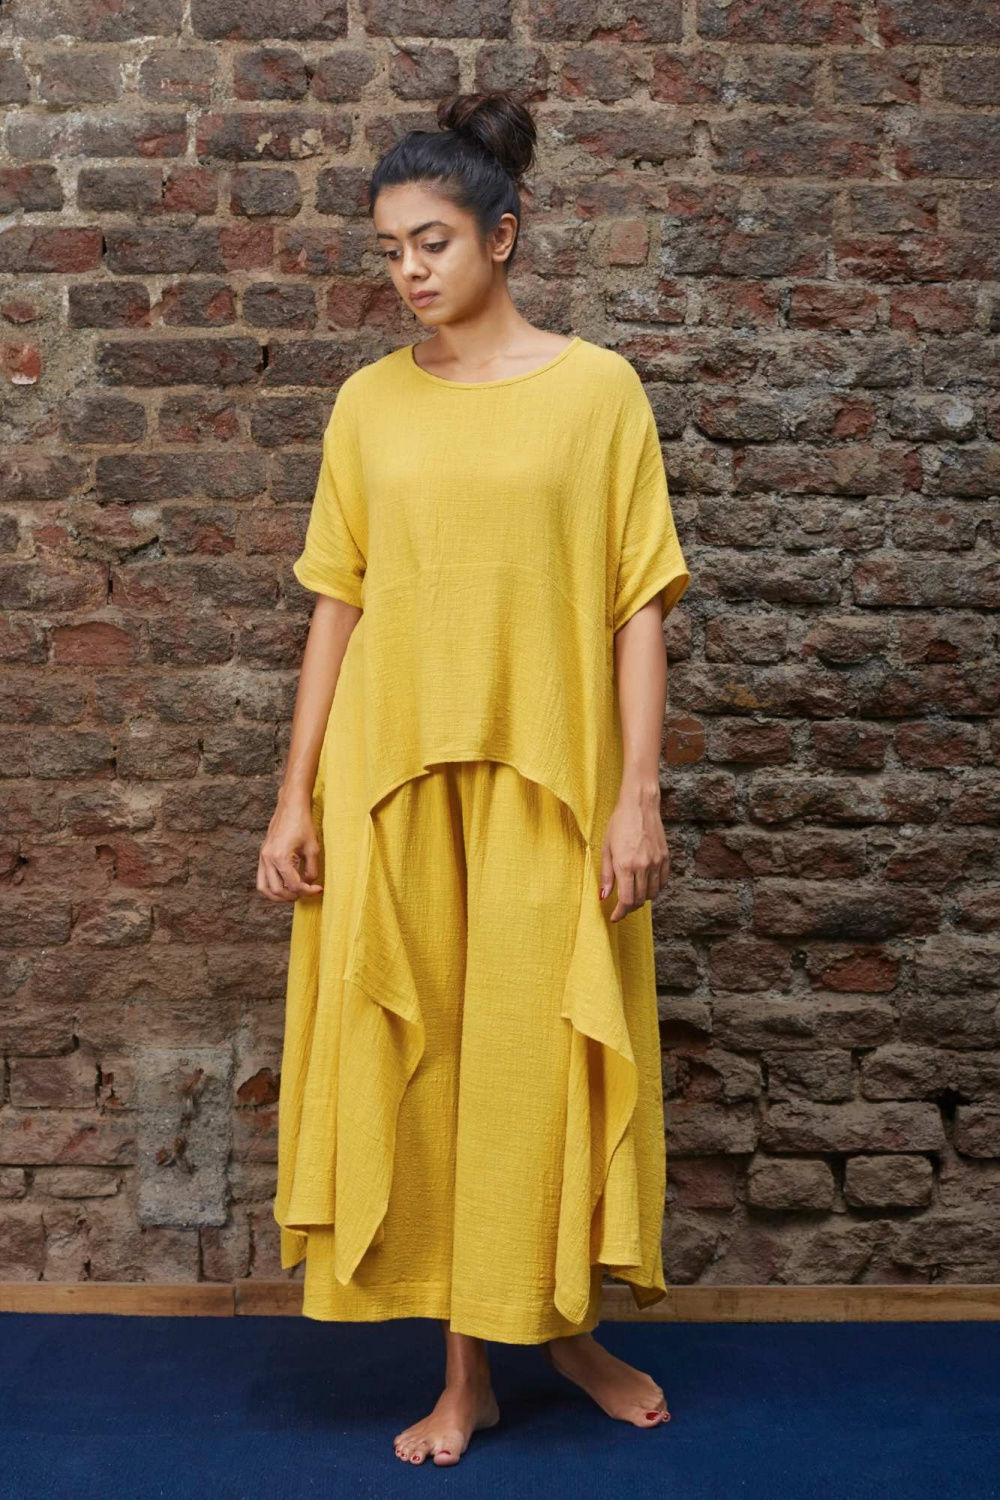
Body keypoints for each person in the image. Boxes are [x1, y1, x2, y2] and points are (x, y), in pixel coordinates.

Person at [258, 89, 690, 1467]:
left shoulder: (599, 392)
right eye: (390, 248)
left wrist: (638, 793)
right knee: (435, 1064)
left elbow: (638, 602)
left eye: (432, 241)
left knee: (539, 1058)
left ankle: (562, 1331)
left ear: (502, 234)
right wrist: (294, 795)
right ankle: (466, 1378)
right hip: (392, 781)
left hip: (550, 778)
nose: (409, 270)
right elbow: (338, 604)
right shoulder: (368, 404)